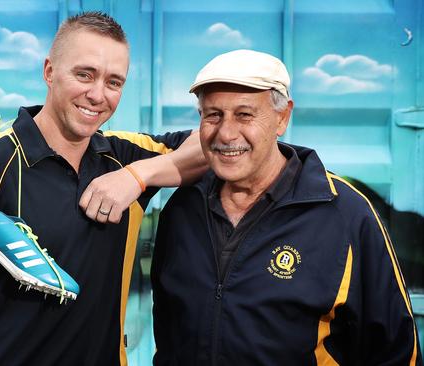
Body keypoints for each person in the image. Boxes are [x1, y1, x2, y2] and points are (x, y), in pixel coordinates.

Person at [0, 12, 205, 366]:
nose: (98, 95)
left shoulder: (125, 156)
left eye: (114, 82)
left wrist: (137, 177)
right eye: (84, 74)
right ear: (50, 72)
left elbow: (215, 144)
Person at [151, 49, 422, 365]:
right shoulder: (183, 206)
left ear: (282, 117)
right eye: (213, 114)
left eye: (244, 114)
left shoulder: (345, 213)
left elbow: (396, 352)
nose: (225, 133)